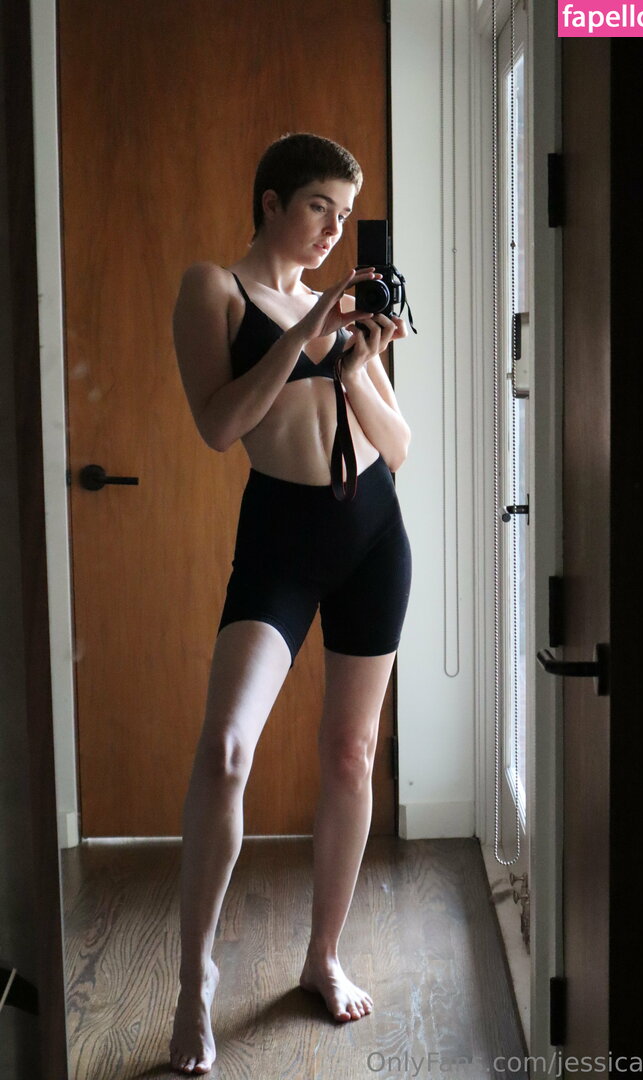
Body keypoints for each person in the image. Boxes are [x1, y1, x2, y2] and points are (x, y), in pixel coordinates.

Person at [169, 133, 413, 1075]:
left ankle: (323, 956)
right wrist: (304, 333)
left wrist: (351, 364)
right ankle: (195, 979)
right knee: (226, 747)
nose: (332, 231)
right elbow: (219, 424)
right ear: (271, 201)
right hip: (280, 544)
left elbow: (398, 448)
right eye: (319, 207)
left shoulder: (342, 307)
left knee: (351, 754)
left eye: (344, 216)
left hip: (373, 538)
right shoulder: (216, 290)